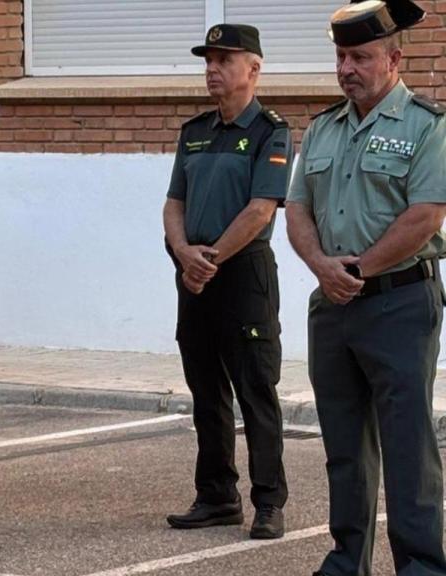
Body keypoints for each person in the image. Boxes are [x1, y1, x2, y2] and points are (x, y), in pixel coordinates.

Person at [286, 1, 446, 574]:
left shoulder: (427, 127)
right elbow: (298, 209)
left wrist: (357, 269)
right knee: (344, 450)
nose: (347, 68)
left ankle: (423, 566)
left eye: (361, 56)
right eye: (341, 56)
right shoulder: (323, 127)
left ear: (394, 58)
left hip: (401, 303)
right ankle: (346, 561)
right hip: (332, 306)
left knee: (408, 447)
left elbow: (425, 215)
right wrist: (322, 268)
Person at [162, 24, 291, 540]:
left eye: (224, 60)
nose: (212, 69)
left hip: (241, 274)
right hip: (193, 274)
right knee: (205, 390)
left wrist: (207, 258)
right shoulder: (193, 131)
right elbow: (174, 203)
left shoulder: (271, 132)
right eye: (208, 60)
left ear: (253, 70)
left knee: (255, 388)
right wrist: (182, 252)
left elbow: (261, 209)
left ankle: (269, 502)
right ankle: (216, 495)